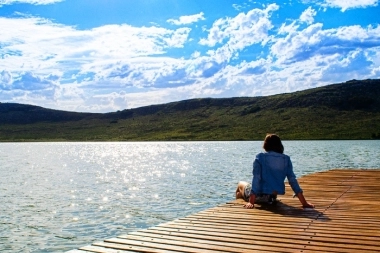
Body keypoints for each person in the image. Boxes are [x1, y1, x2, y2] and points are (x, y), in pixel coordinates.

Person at [244, 134, 314, 209]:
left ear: (266, 145)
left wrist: (251, 202)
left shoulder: (260, 157)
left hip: (259, 196)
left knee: (241, 185)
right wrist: (304, 202)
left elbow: (256, 178)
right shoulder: (286, 159)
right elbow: (292, 180)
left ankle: (245, 207)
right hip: (272, 197)